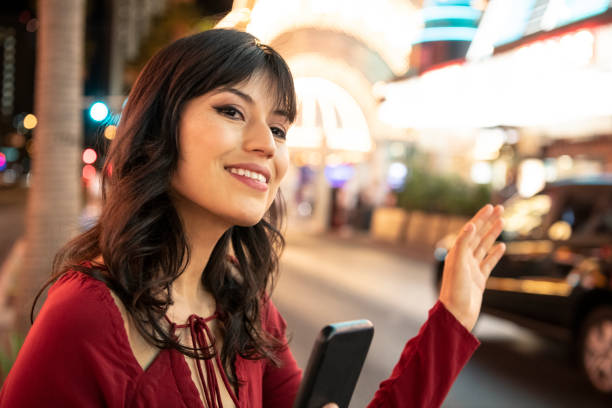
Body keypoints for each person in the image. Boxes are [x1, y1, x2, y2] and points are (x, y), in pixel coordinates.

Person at [0, 29, 505, 408]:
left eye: (280, 127)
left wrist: (453, 317)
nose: (267, 144)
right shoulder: (86, 316)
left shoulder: (248, 312)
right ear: (159, 130)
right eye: (233, 111)